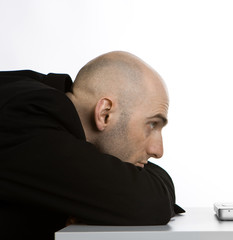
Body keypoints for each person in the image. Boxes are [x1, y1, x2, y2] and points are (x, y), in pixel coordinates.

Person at [0, 51, 184, 239]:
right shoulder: (25, 116)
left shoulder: (40, 105)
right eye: (152, 124)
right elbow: (148, 203)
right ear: (105, 114)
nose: (157, 151)